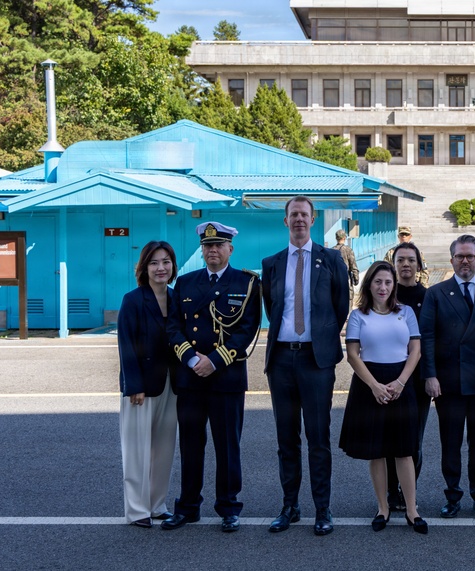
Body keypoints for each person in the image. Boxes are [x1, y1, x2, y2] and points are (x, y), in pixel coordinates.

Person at [162, 222, 262, 534]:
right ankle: (188, 506)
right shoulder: (186, 282)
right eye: (207, 246)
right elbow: (173, 327)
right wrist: (192, 359)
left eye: (218, 245)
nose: (212, 250)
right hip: (191, 377)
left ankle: (229, 507)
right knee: (190, 445)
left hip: (226, 378)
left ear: (230, 248)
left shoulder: (246, 283)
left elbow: (247, 330)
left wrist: (214, 361)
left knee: (227, 446)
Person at [262, 196, 349, 536]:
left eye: (304, 214)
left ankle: (322, 509)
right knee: (286, 439)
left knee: (318, 437)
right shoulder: (272, 263)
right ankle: (290, 506)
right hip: (282, 359)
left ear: (313, 220)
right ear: (285, 221)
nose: (299, 219)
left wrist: (321, 336)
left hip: (316, 360)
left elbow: (340, 306)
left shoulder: (331, 259)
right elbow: (272, 307)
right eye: (293, 214)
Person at [419, 235, 475, 519]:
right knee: (451, 442)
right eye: (460, 256)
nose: (465, 261)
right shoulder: (436, 293)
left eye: (470, 256)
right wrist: (430, 375)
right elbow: (426, 338)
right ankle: (453, 495)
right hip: (448, 382)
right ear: (452, 260)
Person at [339, 261, 429, 534]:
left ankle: (412, 510)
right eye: (378, 282)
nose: (383, 287)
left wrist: (401, 382)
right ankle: (383, 508)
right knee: (376, 452)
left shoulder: (406, 312)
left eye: (388, 282)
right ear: (369, 284)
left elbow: (415, 351)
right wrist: (375, 386)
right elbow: (353, 355)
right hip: (369, 384)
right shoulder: (358, 315)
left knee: (404, 450)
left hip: (401, 382)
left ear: (394, 286)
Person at [117, 240, 179, 528]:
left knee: (163, 450)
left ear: (173, 266)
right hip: (141, 387)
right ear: (144, 268)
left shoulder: (177, 298)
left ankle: (156, 505)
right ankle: (137, 509)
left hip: (171, 385)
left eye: (166, 262)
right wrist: (134, 385)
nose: (160, 268)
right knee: (137, 450)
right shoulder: (133, 300)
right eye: (154, 263)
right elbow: (126, 345)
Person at [384, 241, 430, 512]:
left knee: (413, 441)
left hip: (417, 381)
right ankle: (390, 491)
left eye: (411, 260)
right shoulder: (384, 295)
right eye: (400, 260)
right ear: (393, 265)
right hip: (387, 379)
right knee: (389, 439)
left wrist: (432, 376)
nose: (406, 265)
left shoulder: (429, 297)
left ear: (419, 265)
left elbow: (430, 341)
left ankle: (406, 491)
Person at [333, 229, 359, 311]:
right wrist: (356, 279)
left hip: (334, 281)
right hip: (346, 279)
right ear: (344, 238)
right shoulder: (348, 250)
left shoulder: (331, 250)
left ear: (336, 238)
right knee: (348, 301)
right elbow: (353, 266)